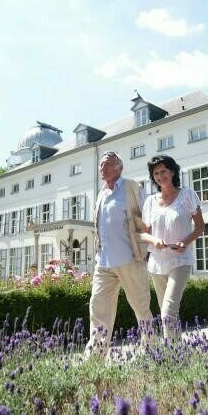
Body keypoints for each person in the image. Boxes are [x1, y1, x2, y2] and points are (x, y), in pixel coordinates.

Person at [85, 151, 154, 358]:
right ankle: (94, 358)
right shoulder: (101, 194)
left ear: (119, 168)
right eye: (100, 165)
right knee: (97, 308)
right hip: (104, 261)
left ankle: (151, 352)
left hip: (130, 259)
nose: (101, 168)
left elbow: (149, 215)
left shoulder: (132, 187)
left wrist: (149, 244)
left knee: (141, 307)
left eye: (106, 164)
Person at [140, 155, 205, 341]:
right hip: (157, 263)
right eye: (156, 173)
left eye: (163, 171)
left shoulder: (187, 195)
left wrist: (185, 242)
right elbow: (142, 233)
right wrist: (154, 240)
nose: (160, 176)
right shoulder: (150, 201)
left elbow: (200, 226)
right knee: (165, 314)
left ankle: (174, 357)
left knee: (169, 312)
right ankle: (175, 355)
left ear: (173, 171)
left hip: (180, 261)